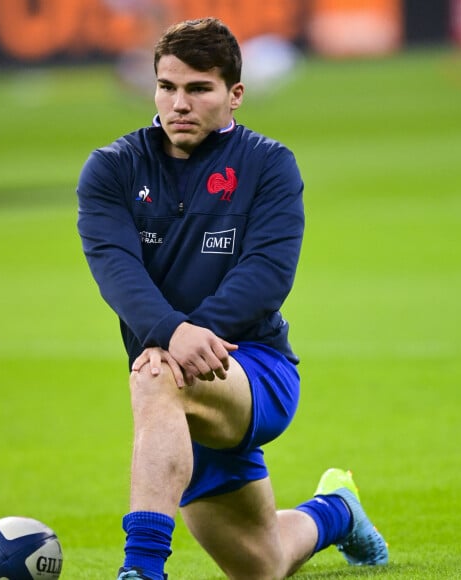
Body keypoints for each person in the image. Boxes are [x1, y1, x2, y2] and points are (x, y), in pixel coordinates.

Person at [76, 17, 388, 580]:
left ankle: (141, 570)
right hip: (174, 398)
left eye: (199, 88)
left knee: (155, 377)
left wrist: (185, 339)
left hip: (255, 369)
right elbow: (114, 269)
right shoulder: (112, 169)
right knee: (263, 564)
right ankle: (338, 512)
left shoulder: (268, 165)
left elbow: (267, 274)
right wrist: (174, 334)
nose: (180, 104)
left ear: (235, 94)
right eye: (167, 87)